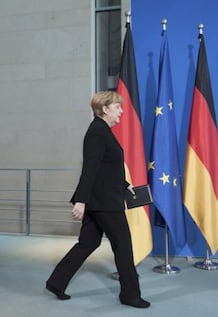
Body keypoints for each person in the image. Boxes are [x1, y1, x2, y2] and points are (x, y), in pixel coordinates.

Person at [45, 91, 150, 308]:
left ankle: (56, 282)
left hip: (101, 199)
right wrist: (80, 201)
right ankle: (130, 295)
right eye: (117, 107)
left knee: (88, 242)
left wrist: (124, 184)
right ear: (104, 109)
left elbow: (105, 169)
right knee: (123, 246)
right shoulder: (97, 132)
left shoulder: (102, 131)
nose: (121, 111)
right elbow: (90, 169)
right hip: (105, 203)